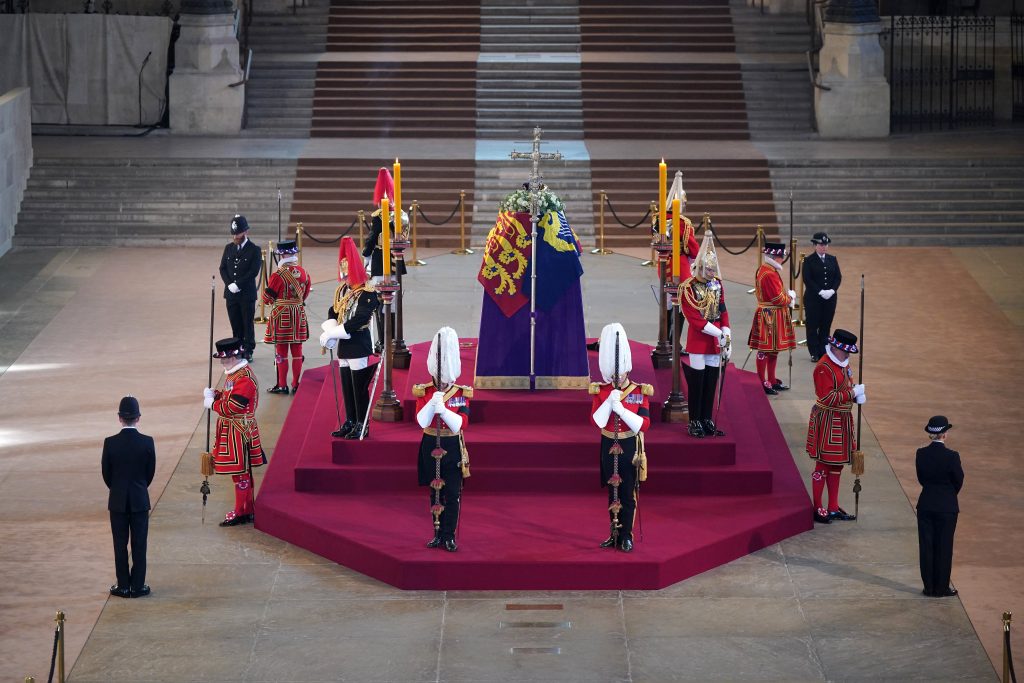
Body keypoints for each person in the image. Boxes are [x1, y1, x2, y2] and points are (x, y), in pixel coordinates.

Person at [590, 323, 652, 553]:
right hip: (607, 444)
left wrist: (622, 409)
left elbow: (643, 424)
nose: (617, 377)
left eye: (621, 372)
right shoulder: (602, 390)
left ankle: (626, 535)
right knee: (612, 492)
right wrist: (609, 402)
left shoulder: (639, 391)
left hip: (629, 446)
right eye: (614, 374)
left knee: (627, 494)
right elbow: (595, 421)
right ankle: (613, 533)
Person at [413, 327, 472, 552]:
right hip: (430, 444)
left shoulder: (461, 393)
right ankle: (436, 533)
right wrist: (431, 404)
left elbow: (462, 424)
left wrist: (444, 411)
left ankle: (449, 535)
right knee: (434, 492)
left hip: (452, 445)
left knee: (452, 494)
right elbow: (421, 421)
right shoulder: (425, 391)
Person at [319, 237, 380, 439]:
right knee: (347, 386)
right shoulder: (343, 290)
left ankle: (363, 423)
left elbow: (360, 319)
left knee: (358, 388)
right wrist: (329, 329)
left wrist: (333, 333)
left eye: (348, 275)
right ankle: (351, 420)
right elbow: (333, 310)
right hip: (344, 346)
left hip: (358, 344)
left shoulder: (368, 293)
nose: (345, 279)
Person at [204, 337, 266, 526]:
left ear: (236, 356)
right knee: (240, 473)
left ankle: (242, 511)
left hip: (239, 430)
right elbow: (230, 396)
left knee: (240, 472)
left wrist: (213, 404)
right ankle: (246, 509)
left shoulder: (244, 378)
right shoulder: (235, 373)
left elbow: (234, 406)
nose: (222, 362)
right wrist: (217, 395)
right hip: (233, 428)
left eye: (226, 358)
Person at [806, 329, 865, 524]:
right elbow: (827, 397)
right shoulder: (824, 367)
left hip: (841, 418)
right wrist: (852, 394)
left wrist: (855, 394)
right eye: (846, 351)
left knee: (837, 465)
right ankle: (817, 507)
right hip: (828, 419)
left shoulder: (843, 364)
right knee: (822, 463)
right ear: (835, 348)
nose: (848, 355)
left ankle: (832, 506)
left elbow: (847, 385)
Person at [678, 228, 731, 438]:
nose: (712, 273)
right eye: (708, 270)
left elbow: (723, 309)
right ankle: (694, 420)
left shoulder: (717, 284)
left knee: (711, 381)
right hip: (700, 338)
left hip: (716, 338)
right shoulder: (688, 288)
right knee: (697, 382)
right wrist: (718, 333)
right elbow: (695, 319)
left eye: (713, 269)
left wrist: (726, 334)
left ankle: (707, 417)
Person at [101, 396, 156, 599]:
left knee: (119, 544)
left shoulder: (110, 443)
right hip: (140, 499)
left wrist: (117, 489)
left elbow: (106, 473)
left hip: (117, 500)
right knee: (140, 543)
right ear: (138, 418)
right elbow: (150, 472)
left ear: (119, 418)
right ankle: (138, 585)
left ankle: (123, 585)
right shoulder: (147, 442)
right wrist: (139, 488)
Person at [917, 416, 964, 597]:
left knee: (926, 546)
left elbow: (921, 479)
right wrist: (948, 495)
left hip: (926, 504)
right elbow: (958, 480)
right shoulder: (952, 456)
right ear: (944, 434)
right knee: (944, 547)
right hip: (947, 506)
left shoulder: (921, 454)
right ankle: (942, 587)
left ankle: (929, 587)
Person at [262, 240, 311, 395]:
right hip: (298, 313)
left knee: (281, 351)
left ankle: (282, 385)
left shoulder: (277, 275)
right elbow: (305, 294)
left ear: (282, 255)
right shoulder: (304, 272)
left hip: (282, 314)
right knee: (297, 351)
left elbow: (267, 299)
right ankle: (296, 384)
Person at [748, 240, 797, 395]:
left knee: (773, 350)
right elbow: (778, 299)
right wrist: (790, 298)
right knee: (765, 349)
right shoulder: (769, 273)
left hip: (772, 314)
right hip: (769, 316)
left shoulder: (766, 269)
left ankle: (772, 379)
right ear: (775, 257)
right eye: (781, 256)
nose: (782, 259)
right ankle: (763, 381)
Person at [219, 215, 263, 361]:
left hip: (246, 294)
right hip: (231, 294)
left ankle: (248, 349)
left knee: (247, 324)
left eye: (238, 234)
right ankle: (237, 348)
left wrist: (238, 284)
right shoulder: (228, 248)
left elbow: (253, 272)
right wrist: (229, 284)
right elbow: (223, 268)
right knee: (235, 323)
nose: (235, 237)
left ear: (246, 232)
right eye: (234, 234)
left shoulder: (254, 250)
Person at [362, 167, 408, 281]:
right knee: (395, 291)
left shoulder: (379, 216)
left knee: (378, 290)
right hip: (396, 255)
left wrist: (366, 254)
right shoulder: (401, 214)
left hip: (381, 257)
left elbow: (373, 237)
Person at [802, 231, 842, 362]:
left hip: (829, 299)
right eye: (821, 245)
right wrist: (820, 291)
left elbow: (838, 277)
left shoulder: (832, 259)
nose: (824, 247)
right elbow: (807, 279)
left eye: (825, 245)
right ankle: (814, 351)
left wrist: (832, 290)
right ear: (815, 245)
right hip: (814, 299)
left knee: (826, 325)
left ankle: (823, 350)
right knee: (813, 325)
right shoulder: (808, 261)